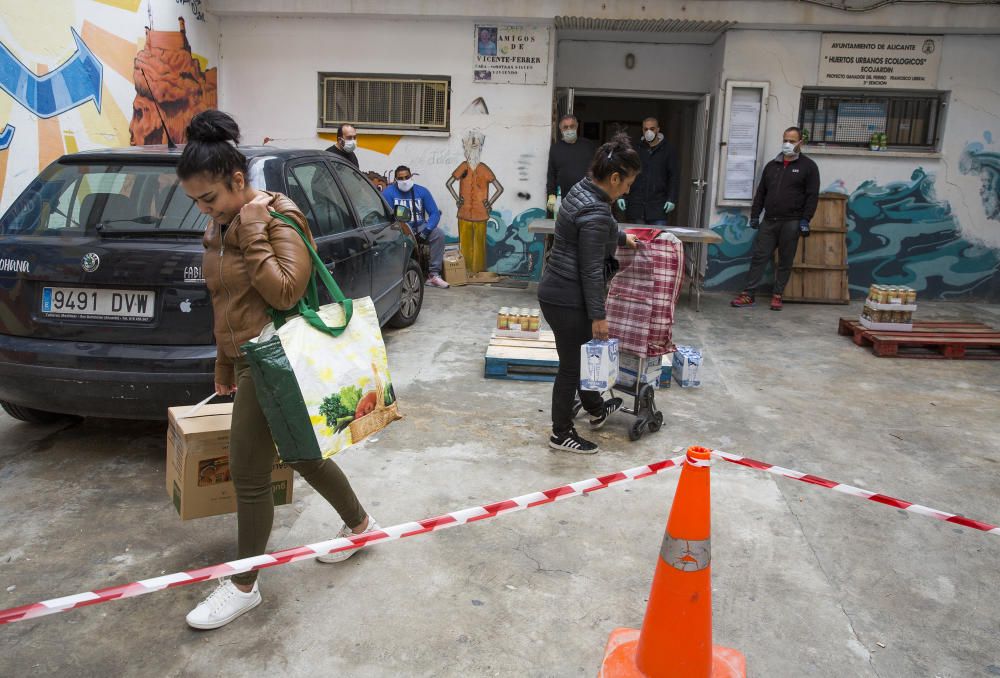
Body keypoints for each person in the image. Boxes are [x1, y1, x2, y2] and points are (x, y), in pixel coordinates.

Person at [177, 110, 379, 630]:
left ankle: (245, 585)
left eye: (209, 199)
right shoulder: (221, 225)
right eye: (196, 201)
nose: (204, 210)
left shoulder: (276, 217)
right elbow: (227, 300)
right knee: (304, 456)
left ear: (238, 181)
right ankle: (360, 525)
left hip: (278, 359)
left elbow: (286, 290)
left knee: (248, 473)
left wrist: (249, 232)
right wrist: (224, 361)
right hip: (248, 358)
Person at [537, 134, 642, 454]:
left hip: (556, 290)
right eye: (627, 183)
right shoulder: (595, 211)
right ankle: (561, 433)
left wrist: (623, 239)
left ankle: (596, 408)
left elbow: (603, 225)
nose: (628, 190)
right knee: (571, 366)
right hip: (568, 298)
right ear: (614, 178)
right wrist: (599, 316)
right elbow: (591, 270)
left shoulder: (583, 189)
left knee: (580, 358)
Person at [731, 126, 820, 311]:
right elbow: (761, 192)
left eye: (792, 141)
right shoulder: (772, 166)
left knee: (786, 260)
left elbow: (812, 196)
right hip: (769, 220)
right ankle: (748, 294)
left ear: (800, 143)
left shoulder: (808, 167)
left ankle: (777, 295)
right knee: (759, 257)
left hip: (792, 221)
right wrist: (755, 215)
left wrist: (805, 220)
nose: (787, 144)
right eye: (785, 140)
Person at [446, 128, 504, 275]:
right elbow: (449, 183)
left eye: (476, 144)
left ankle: (478, 273)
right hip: (464, 212)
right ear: (465, 146)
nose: (473, 146)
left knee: (479, 246)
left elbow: (499, 188)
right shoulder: (463, 167)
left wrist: (489, 203)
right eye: (470, 144)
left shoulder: (483, 168)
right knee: (465, 245)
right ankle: (465, 272)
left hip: (480, 214)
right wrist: (457, 198)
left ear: (480, 148)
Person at [382, 165, 449, 288]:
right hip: (400, 229)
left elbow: (434, 213)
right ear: (395, 179)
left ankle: (433, 275)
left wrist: (427, 230)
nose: (404, 180)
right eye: (400, 178)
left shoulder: (422, 191)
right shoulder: (388, 193)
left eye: (407, 177)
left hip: (420, 227)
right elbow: (387, 217)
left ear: (411, 176)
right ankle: (396, 276)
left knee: (438, 234)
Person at [622, 117, 679, 226]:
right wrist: (621, 196)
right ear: (642, 130)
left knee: (657, 239)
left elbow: (673, 176)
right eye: (645, 129)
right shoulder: (635, 149)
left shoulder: (668, 149)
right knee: (637, 241)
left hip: (658, 206)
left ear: (658, 129)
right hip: (636, 204)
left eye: (652, 129)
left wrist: (671, 199)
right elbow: (625, 172)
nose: (649, 132)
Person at [546, 114, 597, 215]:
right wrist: (551, 196)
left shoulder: (589, 146)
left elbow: (599, 170)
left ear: (577, 127)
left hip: (587, 198)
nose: (569, 129)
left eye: (572, 126)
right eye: (565, 127)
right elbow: (551, 174)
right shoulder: (555, 149)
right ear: (561, 130)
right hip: (564, 199)